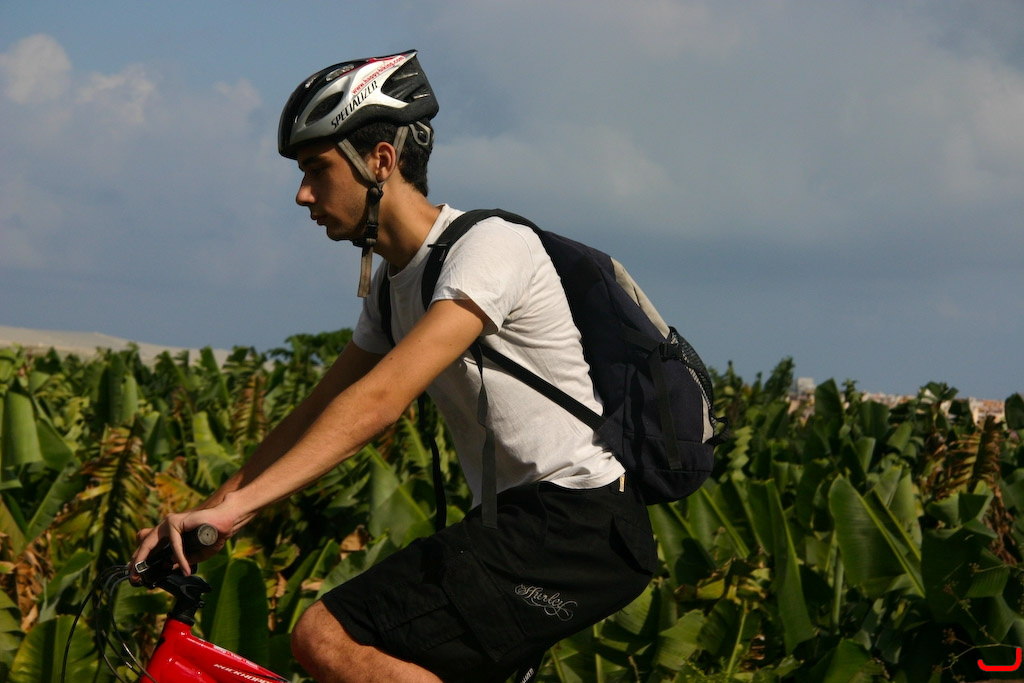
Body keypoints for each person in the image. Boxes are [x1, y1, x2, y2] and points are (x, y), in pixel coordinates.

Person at [131, 50, 657, 683]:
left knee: (326, 636)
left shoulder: (489, 248)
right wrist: (207, 516)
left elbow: (380, 400)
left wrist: (236, 514)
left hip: (576, 522)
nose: (302, 194)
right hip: (517, 526)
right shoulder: (392, 286)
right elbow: (315, 414)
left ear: (381, 161)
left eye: (317, 169)